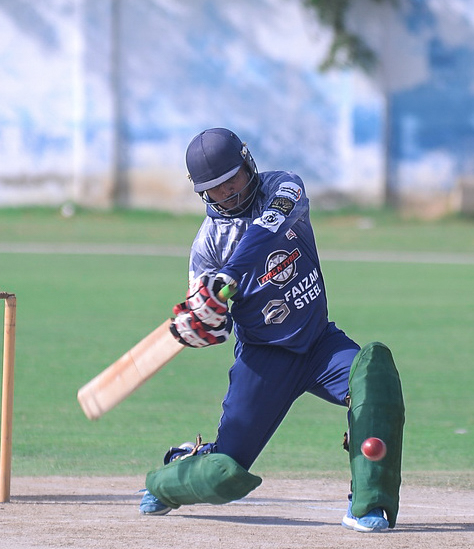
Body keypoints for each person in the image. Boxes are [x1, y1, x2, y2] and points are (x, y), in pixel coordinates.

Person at [138, 128, 404, 532]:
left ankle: (368, 503)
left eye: (233, 180)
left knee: (374, 384)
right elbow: (213, 324)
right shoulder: (208, 245)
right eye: (215, 189)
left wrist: (230, 273)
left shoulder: (284, 187)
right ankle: (170, 477)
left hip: (319, 344)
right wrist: (205, 316)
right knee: (223, 470)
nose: (227, 193)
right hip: (263, 361)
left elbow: (267, 230)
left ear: (248, 165)